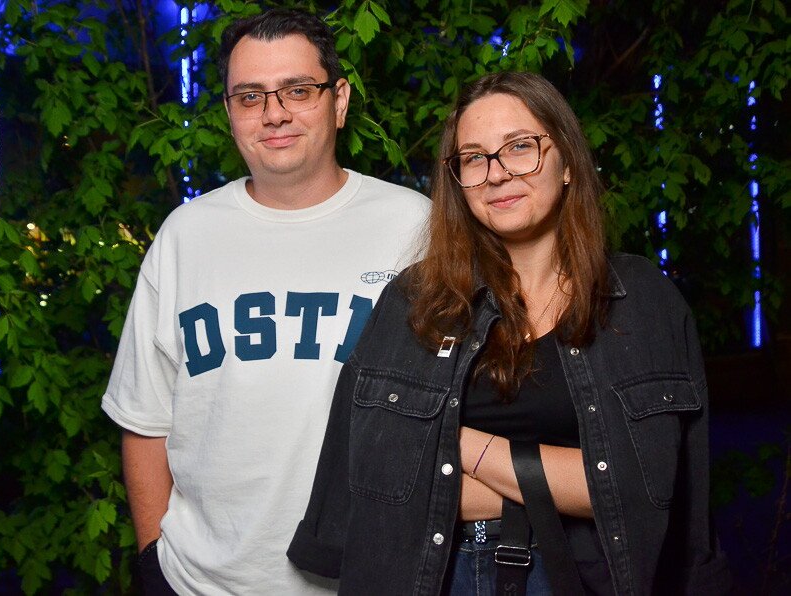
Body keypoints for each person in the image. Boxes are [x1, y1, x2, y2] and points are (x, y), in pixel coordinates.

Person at [287, 71, 730, 595]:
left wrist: (462, 445)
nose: (496, 174)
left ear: (567, 162)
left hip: (582, 577)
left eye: (520, 147)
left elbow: (642, 487)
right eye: (474, 158)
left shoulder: (640, 300)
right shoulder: (415, 302)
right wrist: (561, 484)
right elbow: (374, 485)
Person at [101, 8, 430, 595]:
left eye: (298, 90)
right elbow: (145, 420)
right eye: (250, 96)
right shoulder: (185, 236)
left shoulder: (416, 228)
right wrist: (154, 563)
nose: (274, 113)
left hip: (369, 581)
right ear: (230, 112)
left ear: (339, 100)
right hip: (202, 583)